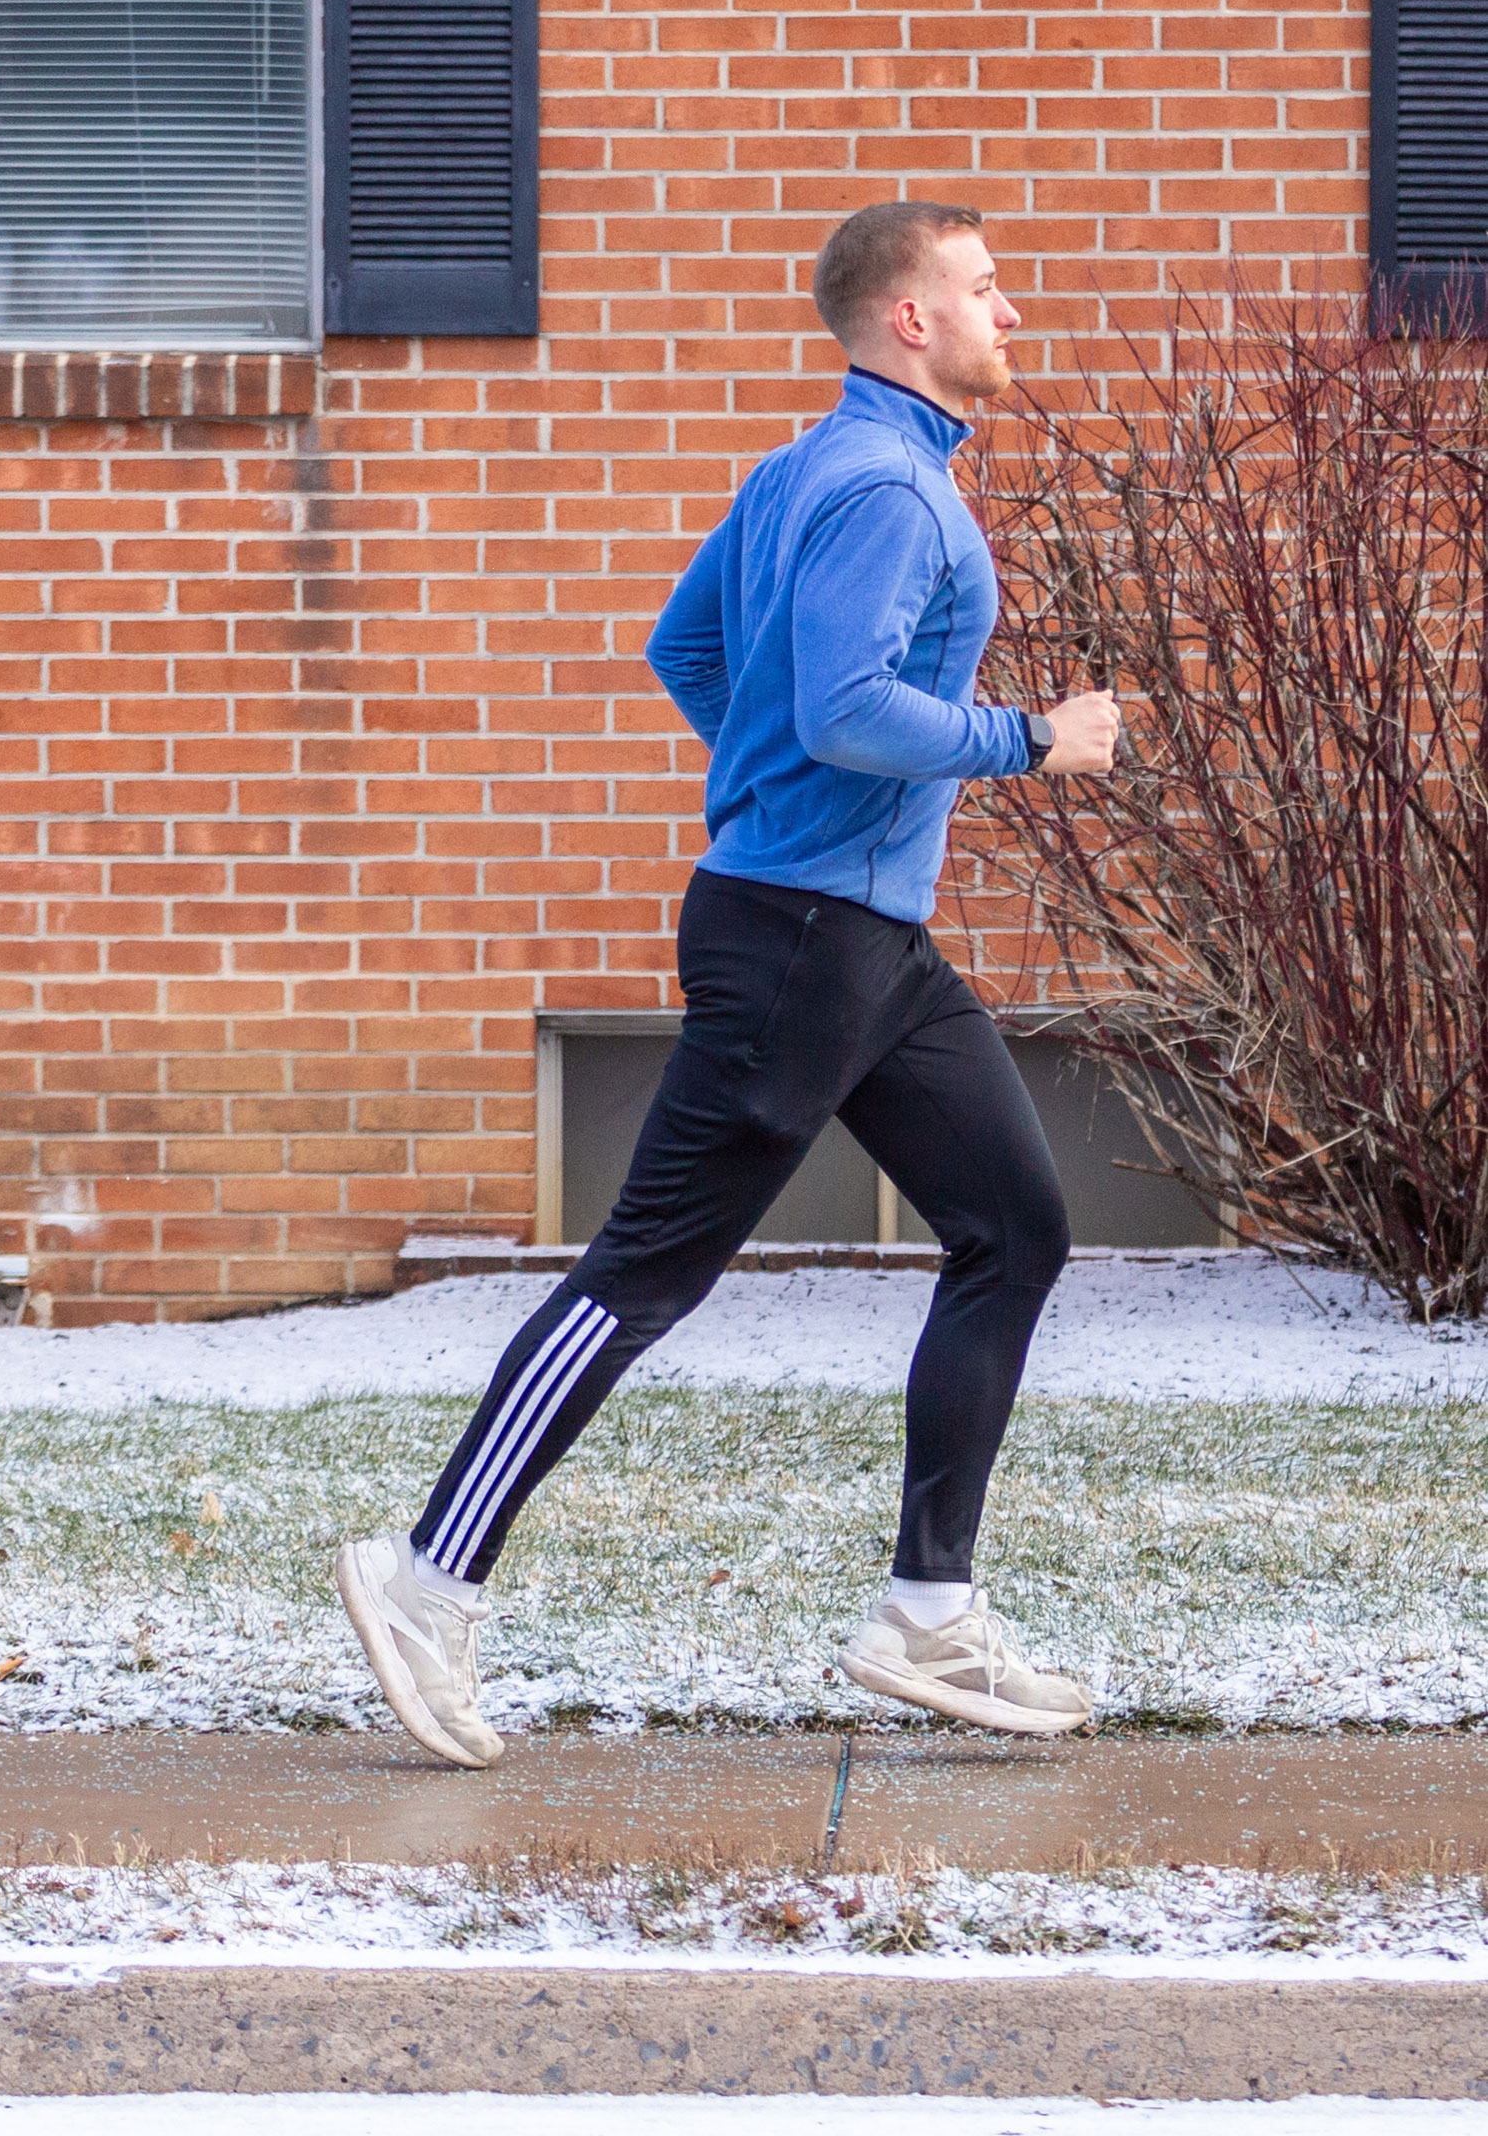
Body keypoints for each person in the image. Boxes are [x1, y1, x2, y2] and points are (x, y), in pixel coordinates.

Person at [336, 201, 1121, 1768]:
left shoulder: (798, 473)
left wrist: (782, 790)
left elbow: (682, 649)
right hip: (801, 947)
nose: (1008, 312)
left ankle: (926, 1611)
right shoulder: (893, 491)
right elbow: (842, 710)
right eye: (980, 288)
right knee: (642, 1274)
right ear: (906, 317)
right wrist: (1029, 737)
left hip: (864, 945)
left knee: (1013, 1226)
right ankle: (423, 1581)